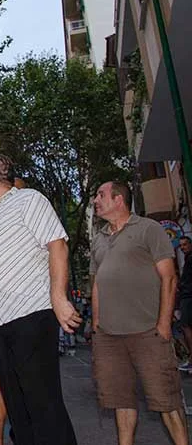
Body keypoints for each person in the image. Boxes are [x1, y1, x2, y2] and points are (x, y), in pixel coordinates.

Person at [0, 153, 78, 445]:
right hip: (0, 327)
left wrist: (59, 298)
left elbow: (57, 245)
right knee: (17, 407)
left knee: (43, 404)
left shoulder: (28, 200)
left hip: (32, 315)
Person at [90, 181, 186, 445]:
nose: (96, 200)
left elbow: (169, 278)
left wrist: (164, 324)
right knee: (120, 401)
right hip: (109, 337)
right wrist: (97, 325)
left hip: (148, 333)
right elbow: (96, 283)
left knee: (167, 400)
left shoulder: (149, 229)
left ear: (119, 199)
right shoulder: (98, 240)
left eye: (101, 195)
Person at [177, 236, 192, 371]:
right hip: (186, 296)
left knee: (185, 326)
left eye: (185, 245)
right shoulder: (187, 259)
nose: (183, 248)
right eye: (181, 246)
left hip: (188, 297)